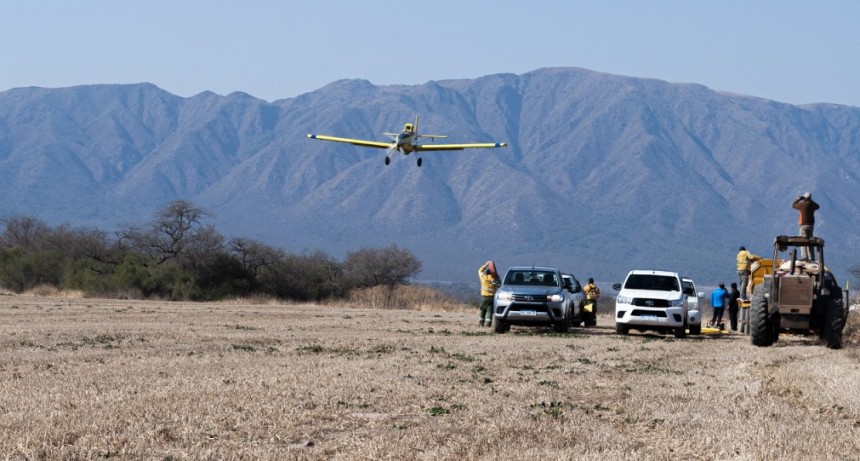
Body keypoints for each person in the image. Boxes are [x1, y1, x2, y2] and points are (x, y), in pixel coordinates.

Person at [792, 192, 819, 259]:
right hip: (811, 225)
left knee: (803, 240)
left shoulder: (802, 204)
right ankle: (811, 256)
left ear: (805, 198)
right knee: (810, 241)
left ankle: (804, 256)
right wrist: (810, 200)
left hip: (803, 224)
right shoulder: (812, 204)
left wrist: (798, 199)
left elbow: (793, 205)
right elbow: (817, 206)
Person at [478, 260, 500, 327]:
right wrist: (496, 275)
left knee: (482, 310)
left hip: (484, 297)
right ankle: (488, 324)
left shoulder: (483, 278)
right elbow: (499, 284)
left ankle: (481, 323)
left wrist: (486, 265)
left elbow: (480, 271)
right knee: (489, 311)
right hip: (491, 298)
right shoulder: (495, 280)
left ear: (486, 273)